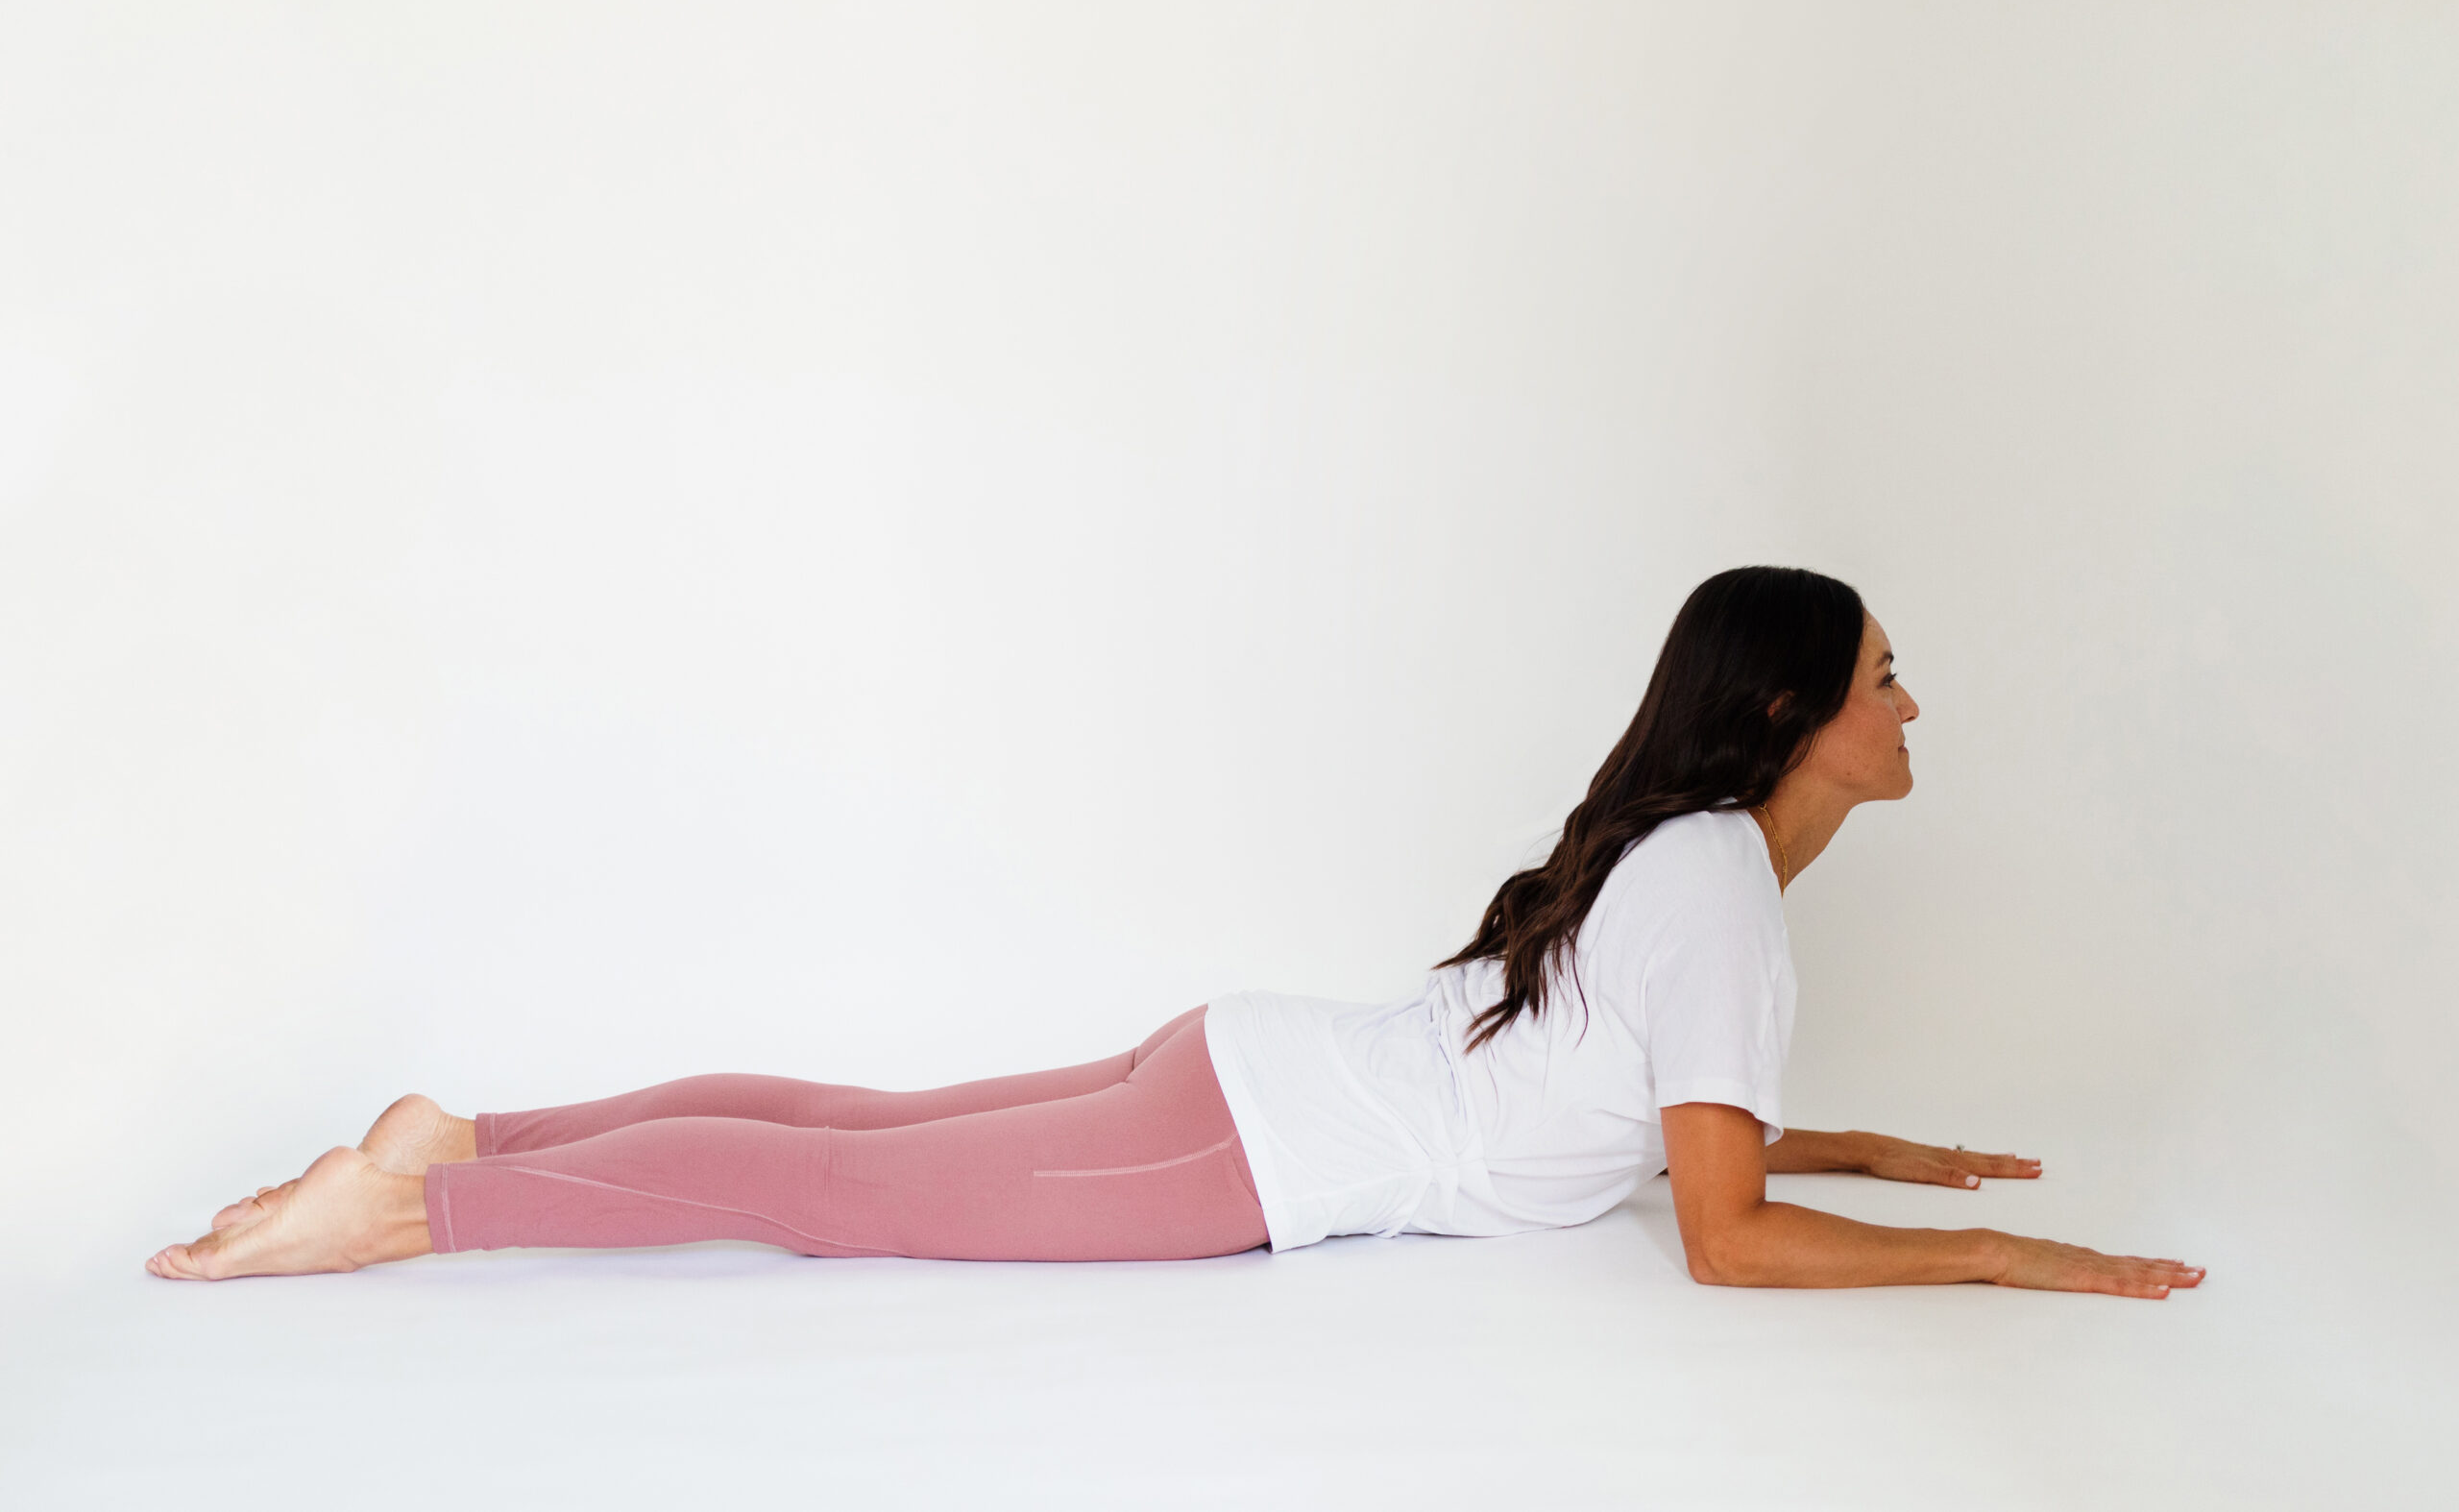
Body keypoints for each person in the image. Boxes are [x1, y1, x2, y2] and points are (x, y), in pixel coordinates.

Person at [150, 566, 2204, 1300]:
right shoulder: (1725, 895)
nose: (1908, 706)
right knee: (841, 1189)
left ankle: (464, 1134)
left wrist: (1867, 1145)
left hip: (1239, 1059)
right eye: (1880, 677)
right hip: (1256, 1149)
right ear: (1788, 717)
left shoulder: (1682, 864)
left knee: (854, 1122)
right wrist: (2000, 1252)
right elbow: (1721, 1231)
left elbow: (1684, 1117)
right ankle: (412, 1214)